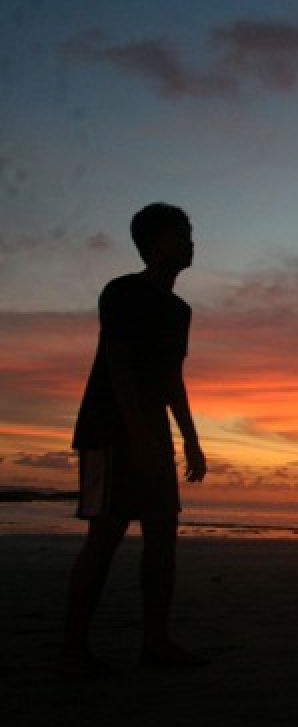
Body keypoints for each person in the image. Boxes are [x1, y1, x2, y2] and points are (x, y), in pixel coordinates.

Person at [63, 203, 208, 676]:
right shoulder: (123, 292)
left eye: (189, 233)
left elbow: (172, 378)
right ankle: (75, 649)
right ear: (153, 243)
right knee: (105, 536)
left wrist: (189, 438)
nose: (190, 242)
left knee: (163, 535)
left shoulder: (179, 311)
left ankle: (155, 642)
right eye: (180, 234)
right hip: (109, 431)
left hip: (153, 434)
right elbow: (117, 365)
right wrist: (138, 436)